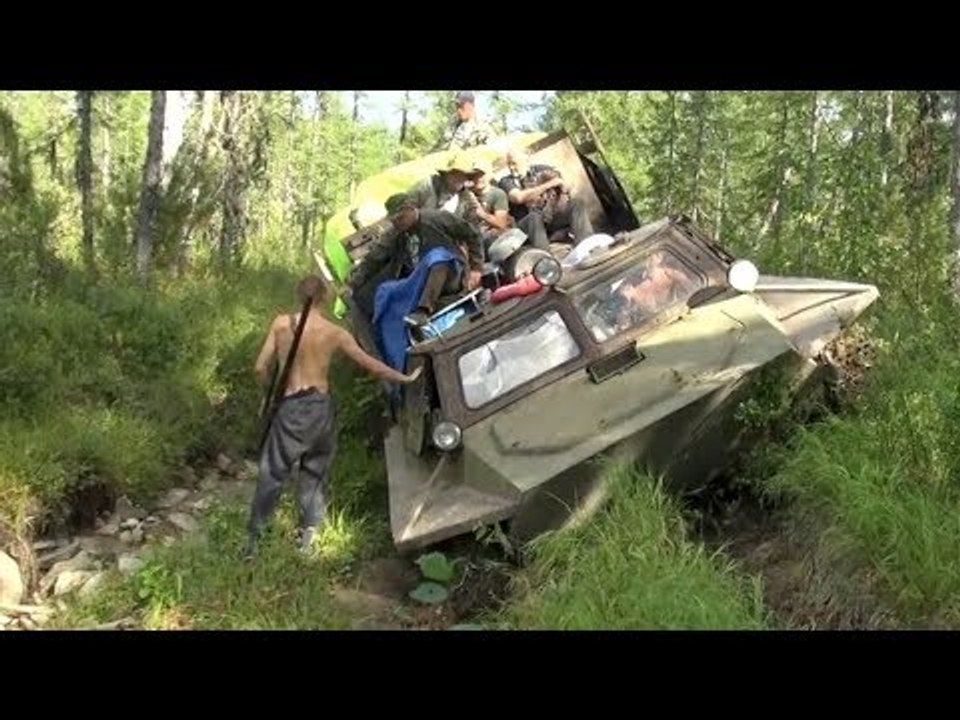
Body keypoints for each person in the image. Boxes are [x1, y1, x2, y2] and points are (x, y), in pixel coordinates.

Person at [245, 276, 421, 559]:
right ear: (324, 297)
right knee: (314, 473)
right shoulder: (334, 333)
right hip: (319, 408)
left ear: (297, 294)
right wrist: (404, 377)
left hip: (289, 407)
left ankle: (254, 544)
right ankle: (308, 542)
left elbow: (259, 367)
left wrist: (268, 392)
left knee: (272, 473)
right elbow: (370, 364)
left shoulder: (280, 325)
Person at [498, 148, 595, 249]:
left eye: (514, 163)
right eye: (509, 164)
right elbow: (518, 198)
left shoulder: (542, 169)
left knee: (577, 203)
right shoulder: (506, 181)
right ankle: (546, 259)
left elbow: (566, 186)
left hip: (550, 216)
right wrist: (549, 184)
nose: (512, 168)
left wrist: (562, 184)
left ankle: (587, 245)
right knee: (534, 217)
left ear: (525, 159)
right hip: (527, 223)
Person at [465, 157, 512, 248]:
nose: (478, 179)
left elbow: (501, 223)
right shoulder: (466, 195)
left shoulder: (497, 194)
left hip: (493, 237)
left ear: (489, 175)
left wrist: (481, 213)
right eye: (475, 176)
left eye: (481, 175)